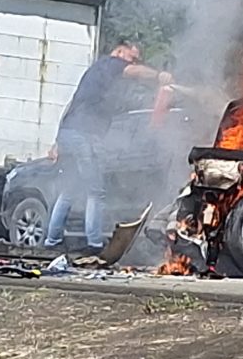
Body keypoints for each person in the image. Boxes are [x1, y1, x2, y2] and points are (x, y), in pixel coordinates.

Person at [44, 42, 173, 255]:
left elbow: (72, 105)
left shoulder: (97, 74)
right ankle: (94, 244)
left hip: (70, 132)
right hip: (83, 135)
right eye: (131, 58)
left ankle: (51, 241)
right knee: (96, 191)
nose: (132, 63)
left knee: (70, 190)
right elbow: (136, 72)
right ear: (120, 51)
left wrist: (58, 141)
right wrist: (160, 76)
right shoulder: (110, 63)